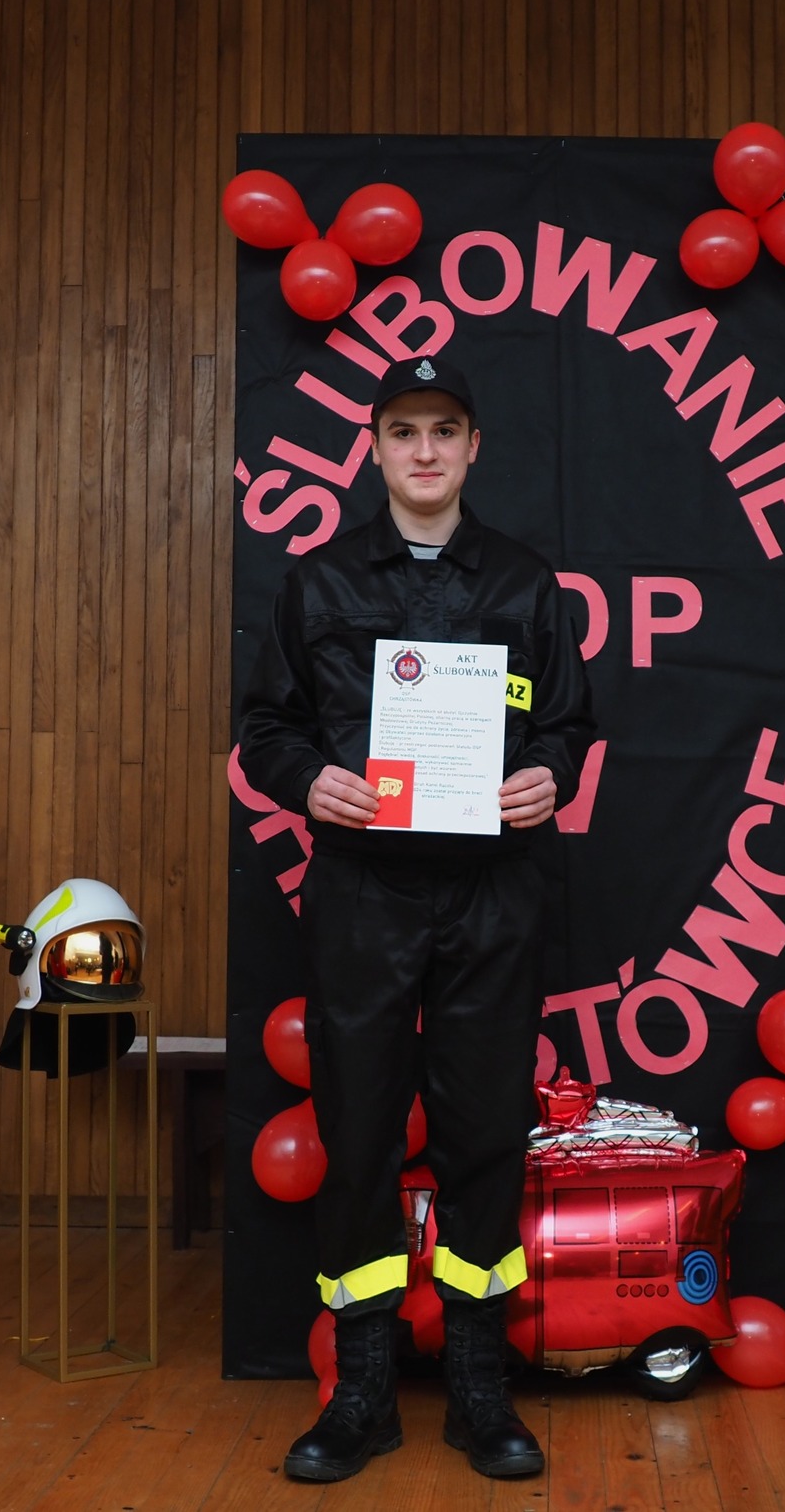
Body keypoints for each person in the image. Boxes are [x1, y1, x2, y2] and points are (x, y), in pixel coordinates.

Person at [237, 355, 596, 1482]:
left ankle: (480, 1390)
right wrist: (307, 782)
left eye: (445, 429)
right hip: (362, 892)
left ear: (473, 447)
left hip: (493, 892)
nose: (425, 450)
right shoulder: (317, 583)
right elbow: (266, 729)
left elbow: (568, 725)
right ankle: (363, 1393)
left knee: (485, 1133)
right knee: (358, 1135)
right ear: (376, 448)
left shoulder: (528, 583)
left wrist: (548, 776)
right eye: (404, 431)